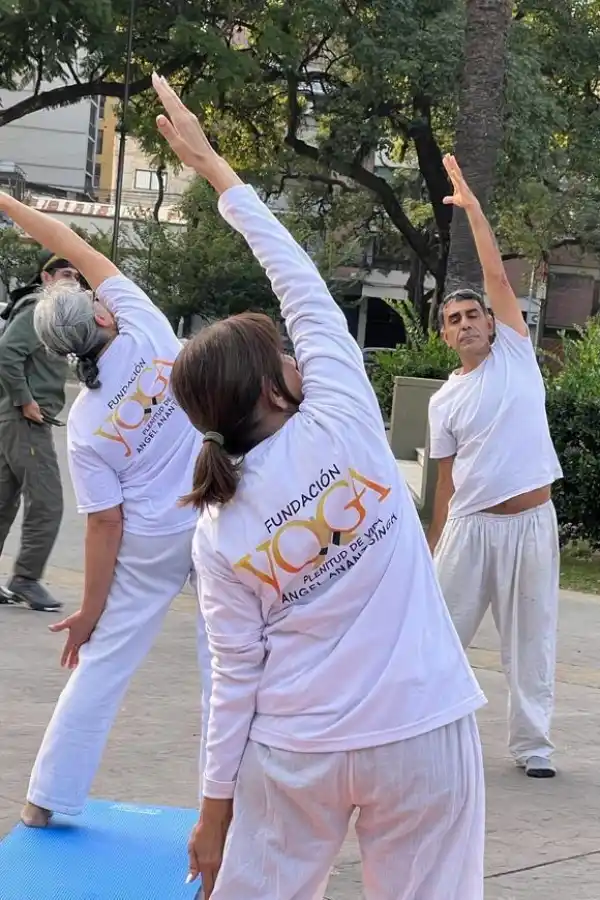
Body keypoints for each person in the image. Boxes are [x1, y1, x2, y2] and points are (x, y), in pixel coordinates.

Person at [152, 74, 486, 900]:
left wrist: (213, 811)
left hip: (294, 753)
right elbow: (293, 272)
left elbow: (234, 681)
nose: (303, 357)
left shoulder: (219, 527)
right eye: (287, 357)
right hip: (422, 732)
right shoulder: (343, 415)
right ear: (274, 388)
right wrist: (215, 170)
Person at [0, 189, 210, 828]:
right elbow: (74, 244)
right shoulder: (146, 327)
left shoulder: (88, 422)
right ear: (102, 316)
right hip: (212, 518)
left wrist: (91, 610)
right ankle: (229, 804)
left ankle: (46, 799)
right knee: (227, 667)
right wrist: (7, 202)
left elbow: (104, 525)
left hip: (148, 543)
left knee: (100, 666)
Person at [427, 155, 563, 779]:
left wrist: (474, 210)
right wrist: (434, 546)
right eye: (454, 320)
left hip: (532, 524)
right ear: (447, 338)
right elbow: (444, 481)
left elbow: (495, 276)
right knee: (440, 636)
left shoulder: (516, 353)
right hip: (471, 529)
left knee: (530, 641)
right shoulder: (444, 399)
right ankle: (424, 731)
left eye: (472, 314)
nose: (466, 323)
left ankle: (532, 748)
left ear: (491, 322)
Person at [0, 251, 80, 612]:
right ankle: (26, 579)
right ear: (46, 278)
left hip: (16, 420)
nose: (72, 280)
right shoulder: (37, 310)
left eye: (77, 276)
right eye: (65, 273)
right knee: (48, 502)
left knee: (3, 501)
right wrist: (25, 400)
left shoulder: (55, 316)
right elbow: (6, 353)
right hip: (26, 421)